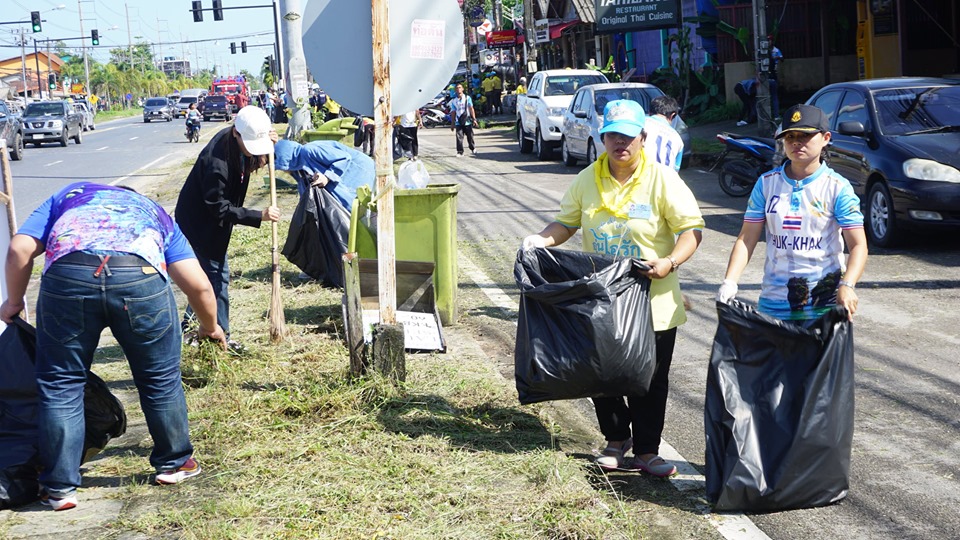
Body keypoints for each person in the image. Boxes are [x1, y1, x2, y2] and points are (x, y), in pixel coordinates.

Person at [0, 183, 227, 511]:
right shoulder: (152, 212)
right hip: (140, 277)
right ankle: (175, 463)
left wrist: (13, 301)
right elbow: (201, 287)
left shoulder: (69, 197)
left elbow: (19, 250)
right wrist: (210, 327)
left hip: (68, 276)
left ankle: (60, 487)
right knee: (159, 379)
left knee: (62, 384)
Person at [522, 100, 704, 477]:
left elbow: (691, 231)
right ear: (602, 137)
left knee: (650, 377)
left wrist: (670, 262)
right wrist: (540, 241)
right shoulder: (588, 177)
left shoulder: (663, 179)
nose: (620, 143)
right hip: (603, 300)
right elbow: (566, 223)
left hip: (653, 298)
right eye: (612, 136)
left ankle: (648, 450)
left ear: (643, 137)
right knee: (602, 372)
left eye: (628, 136)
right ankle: (615, 439)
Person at [717, 103, 868, 322]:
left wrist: (848, 285)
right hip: (774, 302)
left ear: (826, 138)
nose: (796, 142)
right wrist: (730, 282)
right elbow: (747, 238)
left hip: (823, 305)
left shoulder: (837, 187)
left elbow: (858, 245)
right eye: (790, 137)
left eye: (805, 136)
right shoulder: (766, 184)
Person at [174, 106, 280, 351]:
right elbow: (219, 208)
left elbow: (248, 166)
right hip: (200, 223)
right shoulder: (216, 162)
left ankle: (190, 327)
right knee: (217, 278)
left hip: (215, 221)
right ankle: (221, 335)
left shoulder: (237, 141)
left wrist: (268, 146)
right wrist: (258, 215)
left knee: (204, 278)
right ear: (236, 133)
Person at [273, 138, 375, 208]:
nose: (284, 171)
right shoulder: (298, 169)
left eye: (281, 167)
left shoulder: (310, 150)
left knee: (363, 206)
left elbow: (343, 158)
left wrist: (327, 176)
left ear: (286, 159)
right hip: (345, 186)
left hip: (360, 171)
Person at [642, 95, 685, 171]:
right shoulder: (678, 140)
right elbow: (675, 171)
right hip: (664, 181)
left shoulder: (641, 124)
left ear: (649, 112)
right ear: (672, 115)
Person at [450, 83, 477, 156]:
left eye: (460, 87)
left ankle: (473, 148)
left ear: (462, 89)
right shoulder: (454, 101)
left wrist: (474, 119)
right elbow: (453, 112)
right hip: (458, 121)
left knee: (470, 136)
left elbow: (471, 109)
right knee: (459, 137)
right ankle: (460, 151)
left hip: (467, 121)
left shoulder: (467, 98)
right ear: (455, 90)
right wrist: (452, 123)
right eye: (457, 88)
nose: (458, 89)